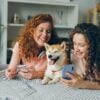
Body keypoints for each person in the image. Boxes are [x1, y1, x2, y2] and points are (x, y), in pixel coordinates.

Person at [5, 14, 59, 80]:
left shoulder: (56, 49)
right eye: (41, 30)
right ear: (33, 30)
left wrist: (37, 75)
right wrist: (10, 73)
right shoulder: (20, 45)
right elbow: (11, 68)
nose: (45, 34)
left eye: (48, 31)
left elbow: (57, 73)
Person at [61, 23, 100, 90]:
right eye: (75, 43)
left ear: (93, 46)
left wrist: (83, 84)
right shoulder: (72, 55)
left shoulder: (97, 61)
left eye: (81, 45)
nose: (76, 49)